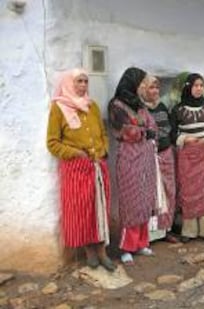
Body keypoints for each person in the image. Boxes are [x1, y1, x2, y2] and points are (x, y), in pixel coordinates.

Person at [47, 68, 115, 271]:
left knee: (100, 208)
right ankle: (89, 251)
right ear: (69, 83)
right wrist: (76, 153)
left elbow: (103, 133)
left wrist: (103, 150)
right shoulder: (59, 108)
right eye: (79, 81)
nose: (83, 85)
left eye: (86, 81)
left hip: (97, 167)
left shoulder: (91, 106)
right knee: (82, 209)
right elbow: (52, 142)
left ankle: (102, 250)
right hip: (76, 169)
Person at [108, 67, 162, 265]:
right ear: (131, 83)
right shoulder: (116, 105)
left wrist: (146, 132)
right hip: (129, 159)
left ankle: (141, 243)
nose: (142, 87)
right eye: (140, 84)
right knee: (131, 203)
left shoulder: (140, 105)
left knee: (144, 201)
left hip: (146, 158)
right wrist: (143, 132)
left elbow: (153, 128)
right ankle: (126, 248)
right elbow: (124, 131)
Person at [171, 73, 204, 243]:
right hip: (187, 157)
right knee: (189, 191)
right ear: (188, 87)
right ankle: (189, 230)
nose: (199, 88)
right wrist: (185, 139)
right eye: (196, 85)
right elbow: (172, 134)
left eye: (201, 85)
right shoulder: (178, 110)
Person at [140, 75, 178, 243]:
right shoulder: (140, 109)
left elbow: (168, 127)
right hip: (148, 156)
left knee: (168, 190)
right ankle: (149, 233)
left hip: (165, 154)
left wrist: (165, 140)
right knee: (150, 192)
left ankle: (166, 229)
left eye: (157, 88)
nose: (155, 91)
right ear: (143, 89)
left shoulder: (162, 106)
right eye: (151, 88)